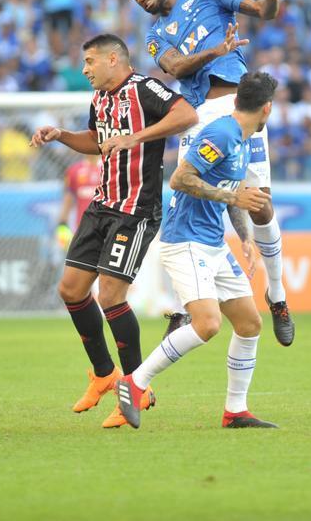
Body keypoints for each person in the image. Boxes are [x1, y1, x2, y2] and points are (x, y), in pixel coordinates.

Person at [124, 0, 298, 346]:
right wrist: (215, 50)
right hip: (199, 117)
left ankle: (277, 294)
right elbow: (175, 68)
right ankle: (183, 304)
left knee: (261, 206)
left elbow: (261, 11)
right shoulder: (155, 35)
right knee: (188, 194)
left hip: (242, 110)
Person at [31, 34, 198, 428]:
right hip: (102, 205)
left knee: (110, 294)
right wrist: (61, 136)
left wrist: (137, 136)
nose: (85, 69)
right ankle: (104, 374)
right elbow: (97, 141)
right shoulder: (101, 99)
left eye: (90, 61)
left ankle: (137, 387)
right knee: (70, 290)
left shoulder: (144, 88)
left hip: (135, 210)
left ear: (112, 59)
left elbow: (186, 114)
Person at [116, 72, 279, 430]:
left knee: (250, 323)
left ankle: (235, 411)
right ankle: (134, 382)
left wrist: (245, 236)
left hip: (213, 244)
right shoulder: (221, 134)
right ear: (267, 108)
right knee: (207, 325)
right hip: (186, 240)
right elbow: (180, 179)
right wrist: (233, 196)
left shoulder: (239, 137)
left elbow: (230, 187)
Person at [56, 153, 102, 250]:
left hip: (106, 224)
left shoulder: (109, 169)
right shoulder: (73, 170)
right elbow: (68, 198)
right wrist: (62, 224)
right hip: (82, 226)